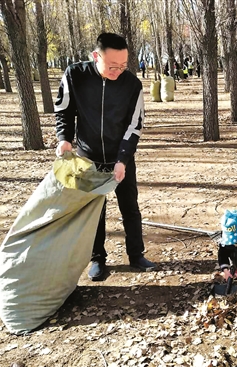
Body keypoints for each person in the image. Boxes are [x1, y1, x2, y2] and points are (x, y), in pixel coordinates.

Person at [54, 32, 156, 281]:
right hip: (87, 157)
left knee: (130, 206)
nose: (118, 71)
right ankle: (97, 258)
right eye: (112, 66)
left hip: (120, 155)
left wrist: (122, 159)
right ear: (95, 56)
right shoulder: (75, 75)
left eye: (123, 65)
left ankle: (136, 254)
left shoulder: (132, 84)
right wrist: (64, 138)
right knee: (94, 210)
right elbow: (64, 110)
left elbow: (135, 126)